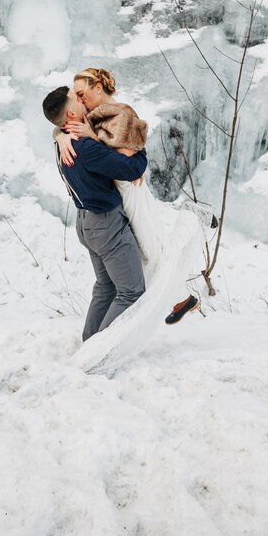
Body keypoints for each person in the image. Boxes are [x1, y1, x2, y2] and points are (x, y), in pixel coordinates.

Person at [55, 67, 201, 324]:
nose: (79, 100)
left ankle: (193, 220)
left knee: (151, 247)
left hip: (130, 190)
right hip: (116, 195)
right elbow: (62, 121)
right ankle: (181, 297)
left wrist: (89, 137)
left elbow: (121, 161)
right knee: (143, 254)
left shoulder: (123, 114)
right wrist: (61, 137)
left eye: (81, 93)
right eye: (76, 96)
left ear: (97, 88)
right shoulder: (91, 115)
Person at [42, 85, 149, 340]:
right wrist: (139, 147)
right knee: (132, 292)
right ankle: (98, 353)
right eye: (75, 99)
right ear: (70, 116)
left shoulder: (64, 142)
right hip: (106, 224)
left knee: (106, 287)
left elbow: (59, 129)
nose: (81, 99)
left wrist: (59, 133)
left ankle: (90, 341)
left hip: (85, 223)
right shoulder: (85, 147)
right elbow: (131, 168)